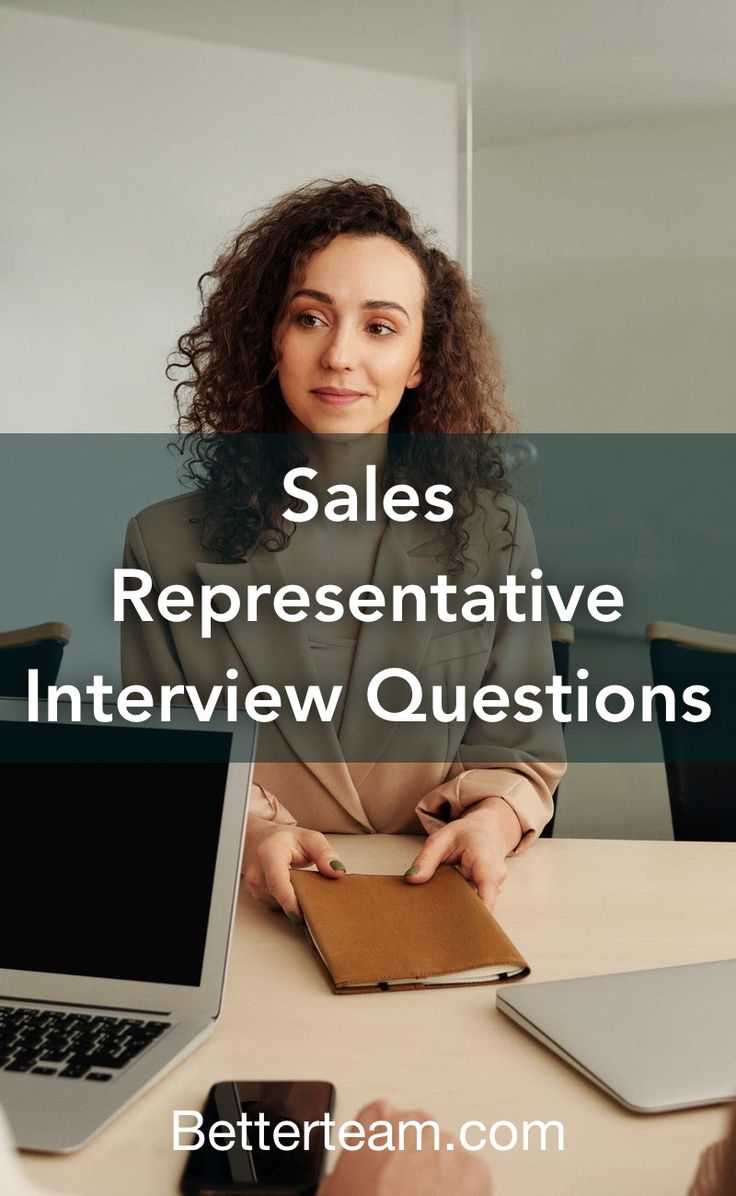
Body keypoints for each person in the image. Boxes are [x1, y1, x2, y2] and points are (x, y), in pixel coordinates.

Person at [121, 178, 565, 920]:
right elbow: (171, 764)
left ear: (422, 361)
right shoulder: (161, 543)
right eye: (310, 318)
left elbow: (517, 754)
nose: (339, 356)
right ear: (270, 339)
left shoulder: (496, 532)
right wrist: (255, 831)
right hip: (242, 913)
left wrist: (491, 820)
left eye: (380, 327)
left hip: (442, 906)